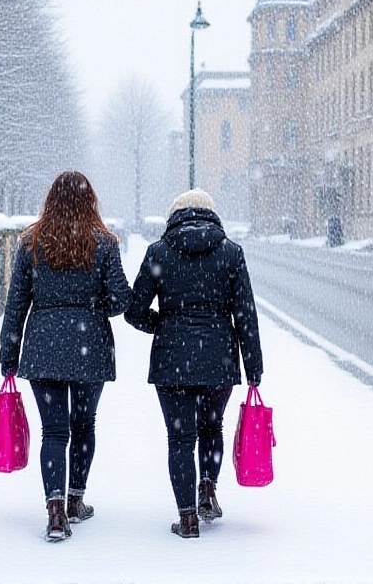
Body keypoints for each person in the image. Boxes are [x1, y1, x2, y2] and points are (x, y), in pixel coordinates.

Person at [0, 171, 132, 542]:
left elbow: (16, 304)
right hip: (89, 346)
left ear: (50, 201)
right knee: (84, 423)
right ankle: (76, 499)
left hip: (43, 345)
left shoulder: (32, 242)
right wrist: (93, 306)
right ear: (90, 201)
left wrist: (9, 354)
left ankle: (55, 511)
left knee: (54, 431)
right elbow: (122, 299)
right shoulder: (104, 243)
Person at [125, 189, 263, 539]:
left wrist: (162, 325)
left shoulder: (159, 252)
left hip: (172, 358)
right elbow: (245, 314)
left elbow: (134, 310)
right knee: (211, 427)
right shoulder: (231, 253)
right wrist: (254, 367)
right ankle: (208, 489)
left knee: (180, 439)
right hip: (219, 357)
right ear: (212, 215)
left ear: (174, 215)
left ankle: (187, 518)